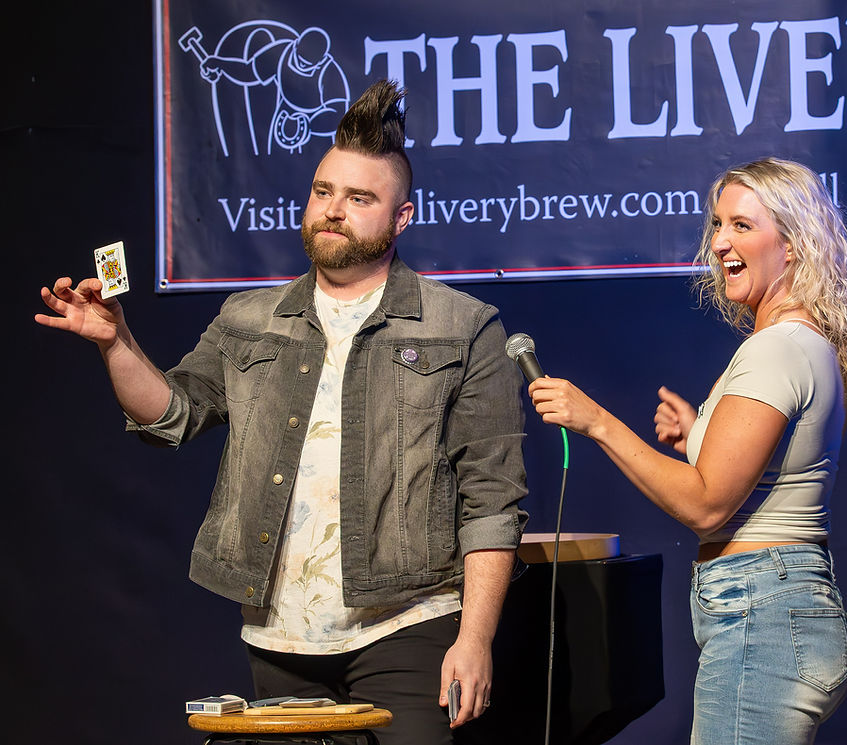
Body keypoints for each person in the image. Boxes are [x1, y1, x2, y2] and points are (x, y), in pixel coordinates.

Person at [35, 79, 527, 745]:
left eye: (360, 198)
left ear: (401, 218)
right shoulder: (248, 318)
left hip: (411, 623)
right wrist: (115, 342)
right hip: (281, 634)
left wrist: (475, 638)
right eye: (324, 191)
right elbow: (171, 415)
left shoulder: (463, 325)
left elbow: (492, 499)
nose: (333, 210)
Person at [528, 157, 847, 745]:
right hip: (774, 609)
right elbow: (763, 472)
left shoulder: (778, 349)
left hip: (764, 612)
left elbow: (707, 506)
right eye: (718, 225)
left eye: (742, 225)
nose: (720, 242)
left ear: (793, 246)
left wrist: (596, 422)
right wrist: (700, 432)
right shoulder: (796, 343)